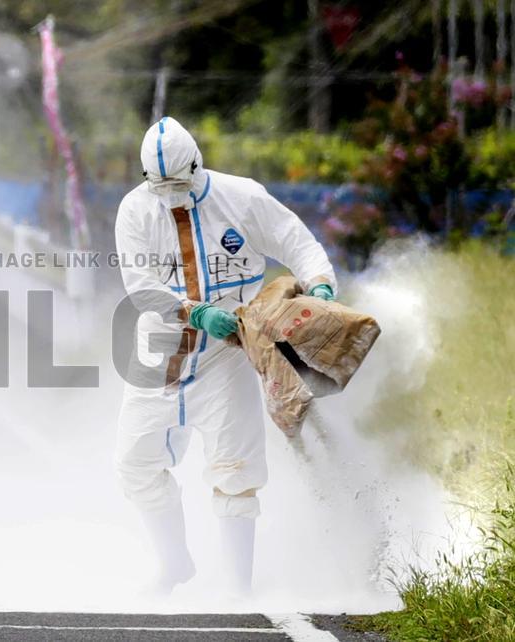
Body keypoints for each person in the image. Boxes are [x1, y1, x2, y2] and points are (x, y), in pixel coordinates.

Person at [114, 116, 336, 596]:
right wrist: (194, 314)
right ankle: (174, 563)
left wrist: (319, 284)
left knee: (235, 468)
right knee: (134, 461)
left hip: (228, 353)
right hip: (160, 352)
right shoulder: (135, 211)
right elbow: (139, 287)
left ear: (197, 164)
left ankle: (239, 589)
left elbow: (297, 241)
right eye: (162, 185)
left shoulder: (242, 197)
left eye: (179, 181)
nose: (172, 191)